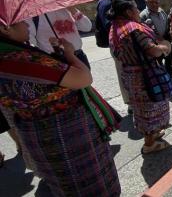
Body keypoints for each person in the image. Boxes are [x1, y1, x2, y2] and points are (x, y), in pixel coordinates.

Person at [0, 20, 121, 196]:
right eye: (21, 23)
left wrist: (58, 56)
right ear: (4, 28)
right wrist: (70, 54)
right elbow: (83, 78)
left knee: (65, 187)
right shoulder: (20, 60)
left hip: (37, 136)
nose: (27, 26)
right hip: (68, 136)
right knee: (94, 187)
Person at [109, 0, 172, 154]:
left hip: (130, 74)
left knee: (141, 109)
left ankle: (154, 133)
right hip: (145, 76)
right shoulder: (133, 29)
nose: (138, 10)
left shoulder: (115, 27)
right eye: (136, 8)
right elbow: (152, 50)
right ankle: (150, 143)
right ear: (129, 11)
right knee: (150, 107)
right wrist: (165, 47)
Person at [28, 7, 93, 68]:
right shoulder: (34, 15)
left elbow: (87, 27)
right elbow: (30, 41)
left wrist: (72, 9)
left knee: (86, 79)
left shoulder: (66, 8)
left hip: (78, 55)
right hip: (55, 59)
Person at [140, 0, 172, 77]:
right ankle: (161, 81)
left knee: (170, 61)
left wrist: (170, 31)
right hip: (154, 44)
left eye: (156, 2)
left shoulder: (162, 11)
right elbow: (141, 32)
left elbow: (167, 24)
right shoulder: (143, 15)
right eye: (151, 2)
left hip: (166, 41)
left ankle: (170, 78)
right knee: (157, 63)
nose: (154, 4)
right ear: (146, 3)